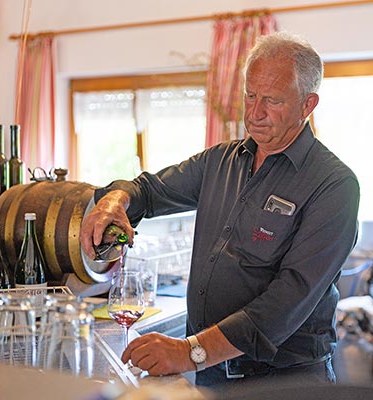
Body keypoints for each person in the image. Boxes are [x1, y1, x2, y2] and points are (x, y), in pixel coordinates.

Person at [80, 32, 360, 393]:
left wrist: (189, 351)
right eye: (250, 95)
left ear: (308, 105)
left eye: (272, 101)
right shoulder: (221, 161)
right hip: (214, 376)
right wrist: (113, 201)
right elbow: (149, 191)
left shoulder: (334, 185)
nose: (255, 114)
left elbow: (287, 302)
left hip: (286, 384)